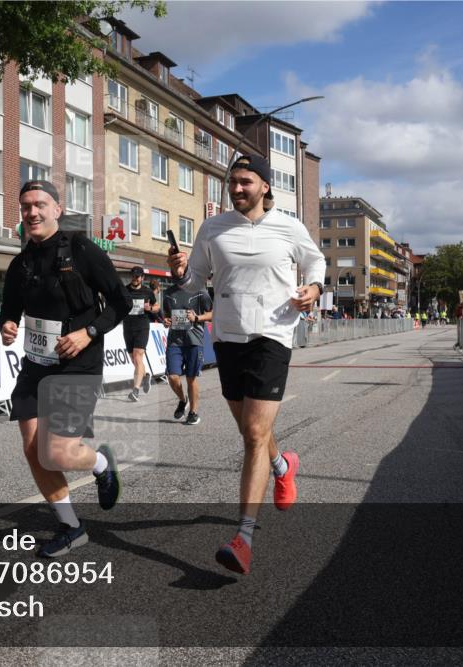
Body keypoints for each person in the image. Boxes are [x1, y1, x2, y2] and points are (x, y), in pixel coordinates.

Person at [166, 155, 325, 575]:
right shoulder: (213, 227)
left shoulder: (288, 226)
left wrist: (313, 287)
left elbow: (316, 261)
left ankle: (244, 538)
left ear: (265, 187)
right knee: (250, 429)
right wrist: (180, 272)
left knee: (254, 432)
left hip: (273, 334)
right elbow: (194, 281)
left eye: (245, 182)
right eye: (232, 182)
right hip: (228, 336)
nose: (237, 189)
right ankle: (282, 465)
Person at [0, 180, 131, 558]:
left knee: (56, 452)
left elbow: (121, 302)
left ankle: (101, 463)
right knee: (33, 449)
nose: (32, 212)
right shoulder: (20, 263)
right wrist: (6, 325)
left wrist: (89, 333)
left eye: (40, 205)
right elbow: (8, 310)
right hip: (36, 365)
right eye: (26, 206)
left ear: (58, 209)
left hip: (78, 364)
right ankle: (71, 527)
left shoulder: (81, 249)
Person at [162, 283, 213, 425]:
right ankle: (183, 400)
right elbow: (167, 315)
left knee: (191, 378)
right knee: (172, 377)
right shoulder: (168, 292)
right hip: (174, 342)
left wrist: (197, 318)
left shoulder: (200, 290)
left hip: (194, 341)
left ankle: (193, 412)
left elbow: (212, 313)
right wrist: (166, 321)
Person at [123, 266, 159, 402]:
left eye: (137, 276)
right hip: (127, 327)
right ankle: (145, 376)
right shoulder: (125, 290)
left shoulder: (147, 292)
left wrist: (150, 308)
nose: (135, 278)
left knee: (138, 356)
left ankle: (135, 390)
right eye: (133, 276)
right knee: (134, 359)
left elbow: (157, 307)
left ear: (142, 278)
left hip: (142, 327)